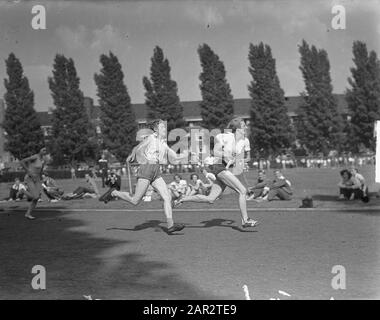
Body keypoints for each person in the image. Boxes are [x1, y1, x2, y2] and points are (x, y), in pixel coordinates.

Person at [105, 119, 188, 234]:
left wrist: (186, 154)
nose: (165, 129)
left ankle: (170, 226)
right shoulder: (151, 138)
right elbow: (138, 147)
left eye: (165, 127)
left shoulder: (163, 142)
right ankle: (114, 193)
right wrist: (131, 155)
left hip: (156, 172)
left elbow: (174, 156)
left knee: (167, 197)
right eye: (162, 127)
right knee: (135, 201)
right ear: (155, 129)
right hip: (147, 169)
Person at [174, 116, 259, 228]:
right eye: (243, 126)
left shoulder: (245, 140)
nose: (246, 127)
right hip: (219, 167)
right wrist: (227, 156)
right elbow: (216, 151)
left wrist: (241, 161)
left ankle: (182, 198)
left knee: (210, 199)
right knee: (242, 191)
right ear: (237, 128)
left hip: (226, 169)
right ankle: (245, 220)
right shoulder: (224, 136)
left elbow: (246, 158)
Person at [19, 147, 50, 219]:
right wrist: (28, 171)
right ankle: (23, 191)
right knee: (35, 197)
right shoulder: (35, 157)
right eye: (43, 150)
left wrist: (43, 174)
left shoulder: (43, 160)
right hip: (30, 178)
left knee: (37, 198)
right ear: (39, 150)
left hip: (38, 179)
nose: (45, 151)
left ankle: (28, 214)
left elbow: (41, 170)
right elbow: (22, 161)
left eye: (46, 150)